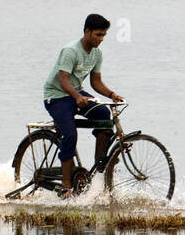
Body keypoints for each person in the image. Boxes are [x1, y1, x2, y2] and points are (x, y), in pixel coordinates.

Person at [42, 13, 124, 197]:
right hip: (56, 96)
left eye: (103, 35)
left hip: (76, 94)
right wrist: (77, 96)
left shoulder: (97, 53)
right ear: (87, 31)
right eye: (98, 35)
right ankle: (66, 186)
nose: (101, 39)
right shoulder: (71, 51)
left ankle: (99, 162)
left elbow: (96, 82)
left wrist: (111, 94)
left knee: (103, 114)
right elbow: (63, 80)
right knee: (70, 134)